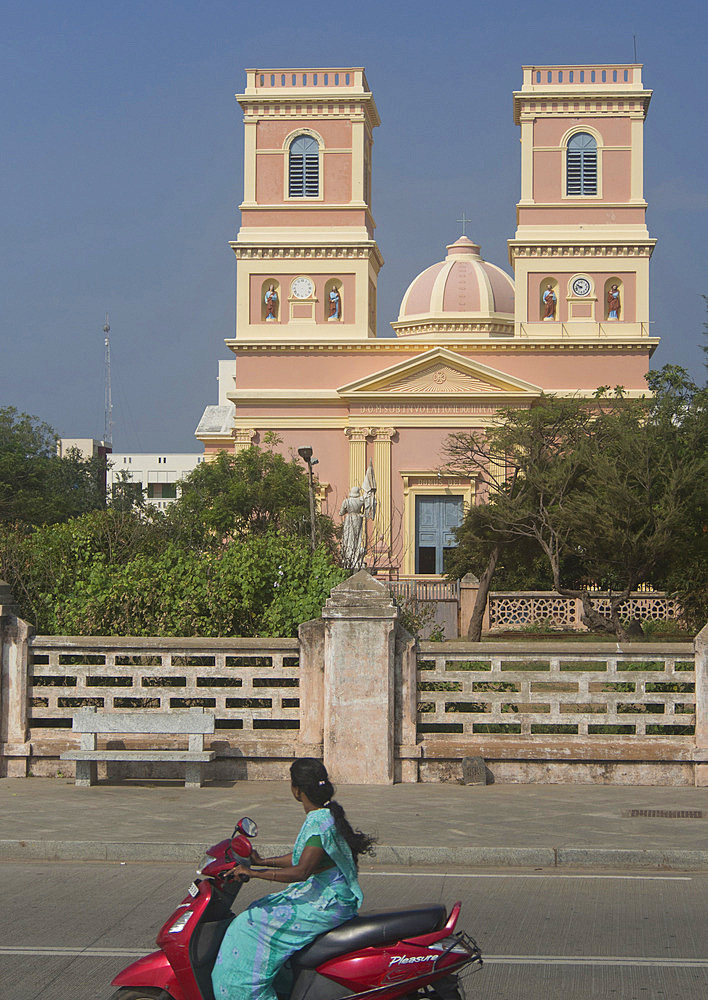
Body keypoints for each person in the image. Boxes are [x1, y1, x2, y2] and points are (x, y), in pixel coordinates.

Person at [212, 758, 376, 1000]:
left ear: (297, 789)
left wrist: (253, 873)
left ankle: (246, 993)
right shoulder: (323, 816)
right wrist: (261, 861)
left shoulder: (320, 822)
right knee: (258, 908)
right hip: (324, 895)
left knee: (247, 925)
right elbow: (303, 858)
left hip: (328, 903)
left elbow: (301, 871)